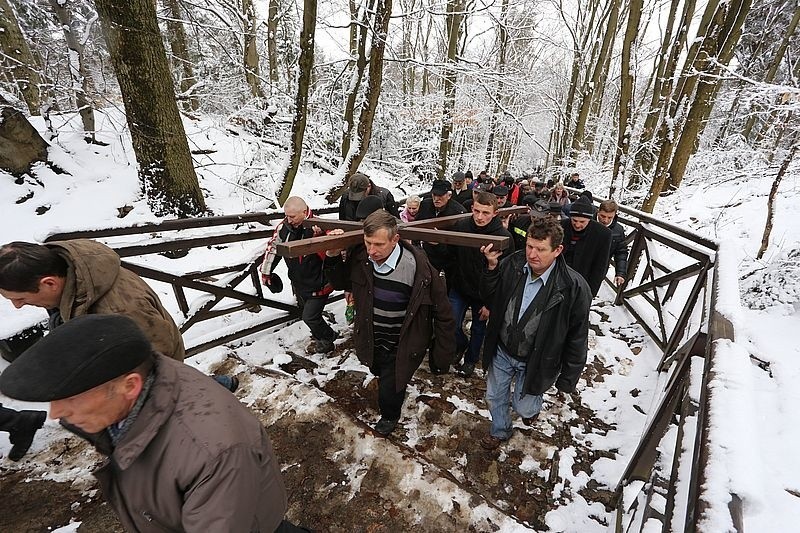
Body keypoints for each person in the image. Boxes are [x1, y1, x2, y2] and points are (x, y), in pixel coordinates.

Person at [0, 314, 300, 532]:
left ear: (130, 386)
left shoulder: (214, 451)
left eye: (72, 397)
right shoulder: (144, 382)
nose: (55, 413)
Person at [0, 239, 239, 460]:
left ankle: (209, 395)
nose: (17, 306)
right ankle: (210, 389)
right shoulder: (73, 273)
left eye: (19, 298)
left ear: (49, 283)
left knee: (175, 411)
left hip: (146, 373)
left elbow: (158, 358)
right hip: (126, 369)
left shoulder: (118, 309)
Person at [324, 210, 456, 436]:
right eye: (367, 243)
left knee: (391, 387)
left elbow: (443, 313)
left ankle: (390, 415)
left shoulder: (419, 269)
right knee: (376, 368)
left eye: (378, 244)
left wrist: (441, 356)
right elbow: (339, 282)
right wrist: (333, 254)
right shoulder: (361, 258)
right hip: (372, 336)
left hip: (402, 343)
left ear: (395, 240)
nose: (371, 251)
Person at [478, 217, 591, 450]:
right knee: (493, 397)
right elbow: (490, 296)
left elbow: (577, 337)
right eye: (529, 246)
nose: (532, 254)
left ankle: (531, 408)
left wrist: (568, 379)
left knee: (524, 407)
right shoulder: (512, 264)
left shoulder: (573, 287)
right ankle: (500, 431)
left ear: (558, 250)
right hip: (503, 348)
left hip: (537, 360)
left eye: (540, 249)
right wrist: (491, 268)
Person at [447, 192, 514, 377]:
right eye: (477, 211)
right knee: (450, 322)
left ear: (495, 213)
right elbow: (449, 255)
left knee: (478, 329)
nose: (479, 217)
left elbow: (507, 273)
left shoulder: (503, 236)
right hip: (460, 285)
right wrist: (436, 245)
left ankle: (470, 360)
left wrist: (491, 303)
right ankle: (460, 344)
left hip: (485, 293)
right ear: (472, 209)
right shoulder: (461, 226)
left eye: (485, 212)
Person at [260, 197, 338, 354]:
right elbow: (274, 247)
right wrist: (266, 272)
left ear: (304, 212)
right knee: (309, 314)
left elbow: (337, 244)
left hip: (320, 282)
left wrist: (328, 236)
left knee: (309, 317)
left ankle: (328, 338)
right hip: (299, 281)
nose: (289, 219)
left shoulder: (319, 225)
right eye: (287, 215)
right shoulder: (284, 227)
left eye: (292, 216)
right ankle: (319, 335)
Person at [560, 198, 612, 298]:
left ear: (589, 219)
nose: (577, 224)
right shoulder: (561, 226)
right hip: (559, 276)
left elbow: (600, 266)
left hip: (582, 280)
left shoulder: (603, 234)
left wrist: (590, 293)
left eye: (582, 221)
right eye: (574, 220)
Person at [416, 179, 466, 276]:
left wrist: (438, 242)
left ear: (449, 195)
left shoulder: (458, 213)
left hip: (446, 261)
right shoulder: (425, 205)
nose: (436, 199)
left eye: (440, 195)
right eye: (434, 195)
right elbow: (417, 223)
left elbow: (457, 247)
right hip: (424, 254)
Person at [597, 199, 629, 287]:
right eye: (603, 216)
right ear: (598, 212)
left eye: (610, 217)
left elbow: (621, 252)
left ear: (614, 215)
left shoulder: (618, 230)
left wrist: (620, 273)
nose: (605, 220)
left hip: (600, 270)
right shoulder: (587, 222)